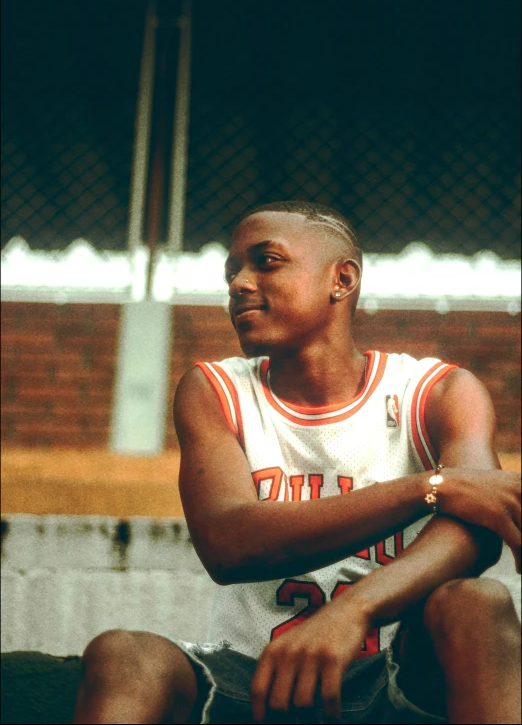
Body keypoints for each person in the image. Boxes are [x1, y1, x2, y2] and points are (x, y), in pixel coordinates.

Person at [74, 201, 521, 725]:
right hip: (251, 676)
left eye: (266, 262)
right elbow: (228, 543)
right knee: (123, 653)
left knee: (477, 602)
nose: (239, 283)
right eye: (231, 272)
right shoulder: (217, 390)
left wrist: (354, 611)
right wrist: (429, 487)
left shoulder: (437, 391)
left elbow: (478, 527)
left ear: (342, 279)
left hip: (392, 674)